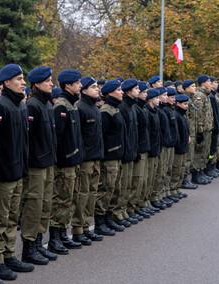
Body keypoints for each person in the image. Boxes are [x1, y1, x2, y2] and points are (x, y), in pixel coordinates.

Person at [0, 64, 33, 281]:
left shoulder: (21, 107)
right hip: (4, 174)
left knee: (12, 217)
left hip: (18, 172)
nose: (23, 82)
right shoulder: (0, 106)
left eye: (23, 79)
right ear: (6, 82)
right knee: (0, 219)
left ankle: (8, 254)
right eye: (18, 79)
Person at [20, 66, 57, 265]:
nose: (52, 84)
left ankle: (38, 243)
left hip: (48, 163)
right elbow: (28, 138)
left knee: (44, 206)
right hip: (36, 166)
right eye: (48, 81)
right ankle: (28, 247)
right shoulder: (32, 105)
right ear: (37, 84)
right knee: (33, 206)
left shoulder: (47, 105)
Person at [48, 69, 84, 253]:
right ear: (68, 85)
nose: (81, 86)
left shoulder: (71, 105)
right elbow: (58, 138)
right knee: (61, 200)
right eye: (77, 83)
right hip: (65, 163)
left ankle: (62, 234)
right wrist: (66, 157)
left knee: (69, 200)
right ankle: (55, 237)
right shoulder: (61, 106)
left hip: (73, 162)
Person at [71, 76, 104, 243]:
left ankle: (86, 226)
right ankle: (77, 228)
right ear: (84, 90)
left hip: (96, 157)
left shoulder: (96, 109)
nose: (97, 89)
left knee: (92, 193)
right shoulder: (80, 108)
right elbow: (78, 136)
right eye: (93, 87)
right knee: (82, 194)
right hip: (85, 160)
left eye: (97, 87)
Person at [94, 79, 126, 236]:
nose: (122, 92)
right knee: (106, 188)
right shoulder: (106, 110)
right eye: (119, 90)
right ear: (111, 92)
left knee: (115, 189)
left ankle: (109, 217)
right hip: (109, 157)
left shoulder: (115, 108)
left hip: (117, 155)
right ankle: (100, 221)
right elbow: (102, 136)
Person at [113, 78, 141, 228]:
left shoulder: (132, 107)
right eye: (136, 89)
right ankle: (118, 212)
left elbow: (133, 132)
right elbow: (122, 133)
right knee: (122, 185)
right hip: (125, 152)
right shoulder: (123, 107)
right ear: (130, 91)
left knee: (129, 184)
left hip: (131, 151)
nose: (139, 91)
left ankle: (124, 210)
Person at [132, 81, 154, 218]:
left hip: (144, 147)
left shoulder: (141, 108)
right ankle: (132, 207)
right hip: (138, 149)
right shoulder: (135, 108)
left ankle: (139, 204)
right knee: (136, 181)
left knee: (143, 180)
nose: (146, 94)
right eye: (144, 92)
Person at [192, 75, 214, 184]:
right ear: (202, 83)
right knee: (199, 152)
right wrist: (199, 130)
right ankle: (196, 174)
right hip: (202, 129)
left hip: (207, 129)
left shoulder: (206, 95)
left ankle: (201, 171)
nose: (210, 83)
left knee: (205, 152)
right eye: (208, 81)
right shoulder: (199, 95)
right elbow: (199, 115)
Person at [144, 89, 162, 213]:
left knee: (153, 176)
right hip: (150, 149)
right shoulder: (147, 112)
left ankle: (149, 199)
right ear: (150, 99)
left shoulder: (154, 112)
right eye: (156, 98)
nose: (159, 100)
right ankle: (145, 201)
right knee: (147, 177)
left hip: (156, 148)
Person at [182, 79, 202, 187]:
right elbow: (186, 120)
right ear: (186, 88)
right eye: (192, 86)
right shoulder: (186, 100)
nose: (195, 88)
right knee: (187, 158)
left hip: (193, 132)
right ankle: (184, 180)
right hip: (189, 133)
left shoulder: (191, 99)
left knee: (190, 157)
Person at [170, 94, 191, 200]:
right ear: (178, 103)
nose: (186, 106)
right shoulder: (176, 114)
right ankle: (173, 190)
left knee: (182, 168)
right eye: (185, 104)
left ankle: (177, 188)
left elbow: (185, 129)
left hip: (183, 145)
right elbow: (176, 132)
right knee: (176, 169)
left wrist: (188, 137)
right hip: (179, 147)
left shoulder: (182, 114)